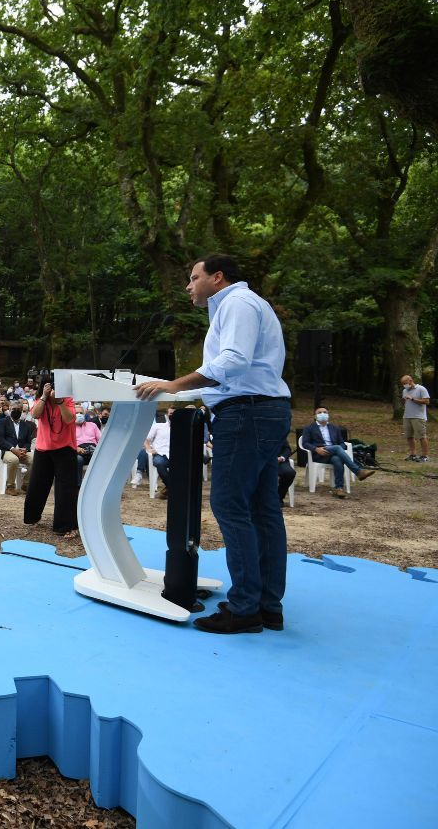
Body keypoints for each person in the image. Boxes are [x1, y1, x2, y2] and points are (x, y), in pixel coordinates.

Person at [136, 254, 291, 634]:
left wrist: (173, 385)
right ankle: (267, 605)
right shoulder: (245, 304)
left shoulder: (237, 303)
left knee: (230, 504)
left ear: (217, 277)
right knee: (262, 508)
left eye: (193, 278)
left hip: (246, 413)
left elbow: (234, 362)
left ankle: (244, 608)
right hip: (264, 410)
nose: (188, 286)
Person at [25, 381, 78, 536]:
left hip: (65, 448)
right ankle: (32, 517)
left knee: (66, 489)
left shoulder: (68, 399)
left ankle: (65, 525)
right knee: (37, 485)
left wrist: (60, 401)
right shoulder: (41, 400)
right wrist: (44, 396)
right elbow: (35, 414)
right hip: (43, 448)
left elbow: (69, 419)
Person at [300, 408, 374, 498]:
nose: (322, 414)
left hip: (334, 453)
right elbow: (305, 443)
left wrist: (339, 450)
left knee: (337, 459)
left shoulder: (334, 427)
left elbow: (342, 443)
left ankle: (338, 488)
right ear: (315, 416)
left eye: (325, 412)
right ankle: (358, 471)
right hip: (319, 455)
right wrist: (316, 449)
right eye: (319, 413)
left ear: (328, 415)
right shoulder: (309, 428)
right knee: (337, 448)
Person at [137, 408, 174, 497]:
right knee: (159, 463)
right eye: (171, 413)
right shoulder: (158, 426)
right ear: (166, 415)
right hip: (160, 453)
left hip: (175, 455)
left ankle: (169, 489)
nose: (172, 415)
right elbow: (146, 439)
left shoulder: (183, 428)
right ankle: (174, 488)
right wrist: (149, 449)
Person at [398, 374, 430, 462]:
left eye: (405, 383)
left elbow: (427, 401)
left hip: (418, 417)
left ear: (410, 381)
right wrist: (403, 402)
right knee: (409, 436)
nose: (404, 385)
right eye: (403, 384)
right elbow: (404, 402)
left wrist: (413, 399)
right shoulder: (405, 391)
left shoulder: (421, 389)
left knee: (421, 436)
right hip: (407, 416)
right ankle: (413, 454)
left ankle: (425, 455)